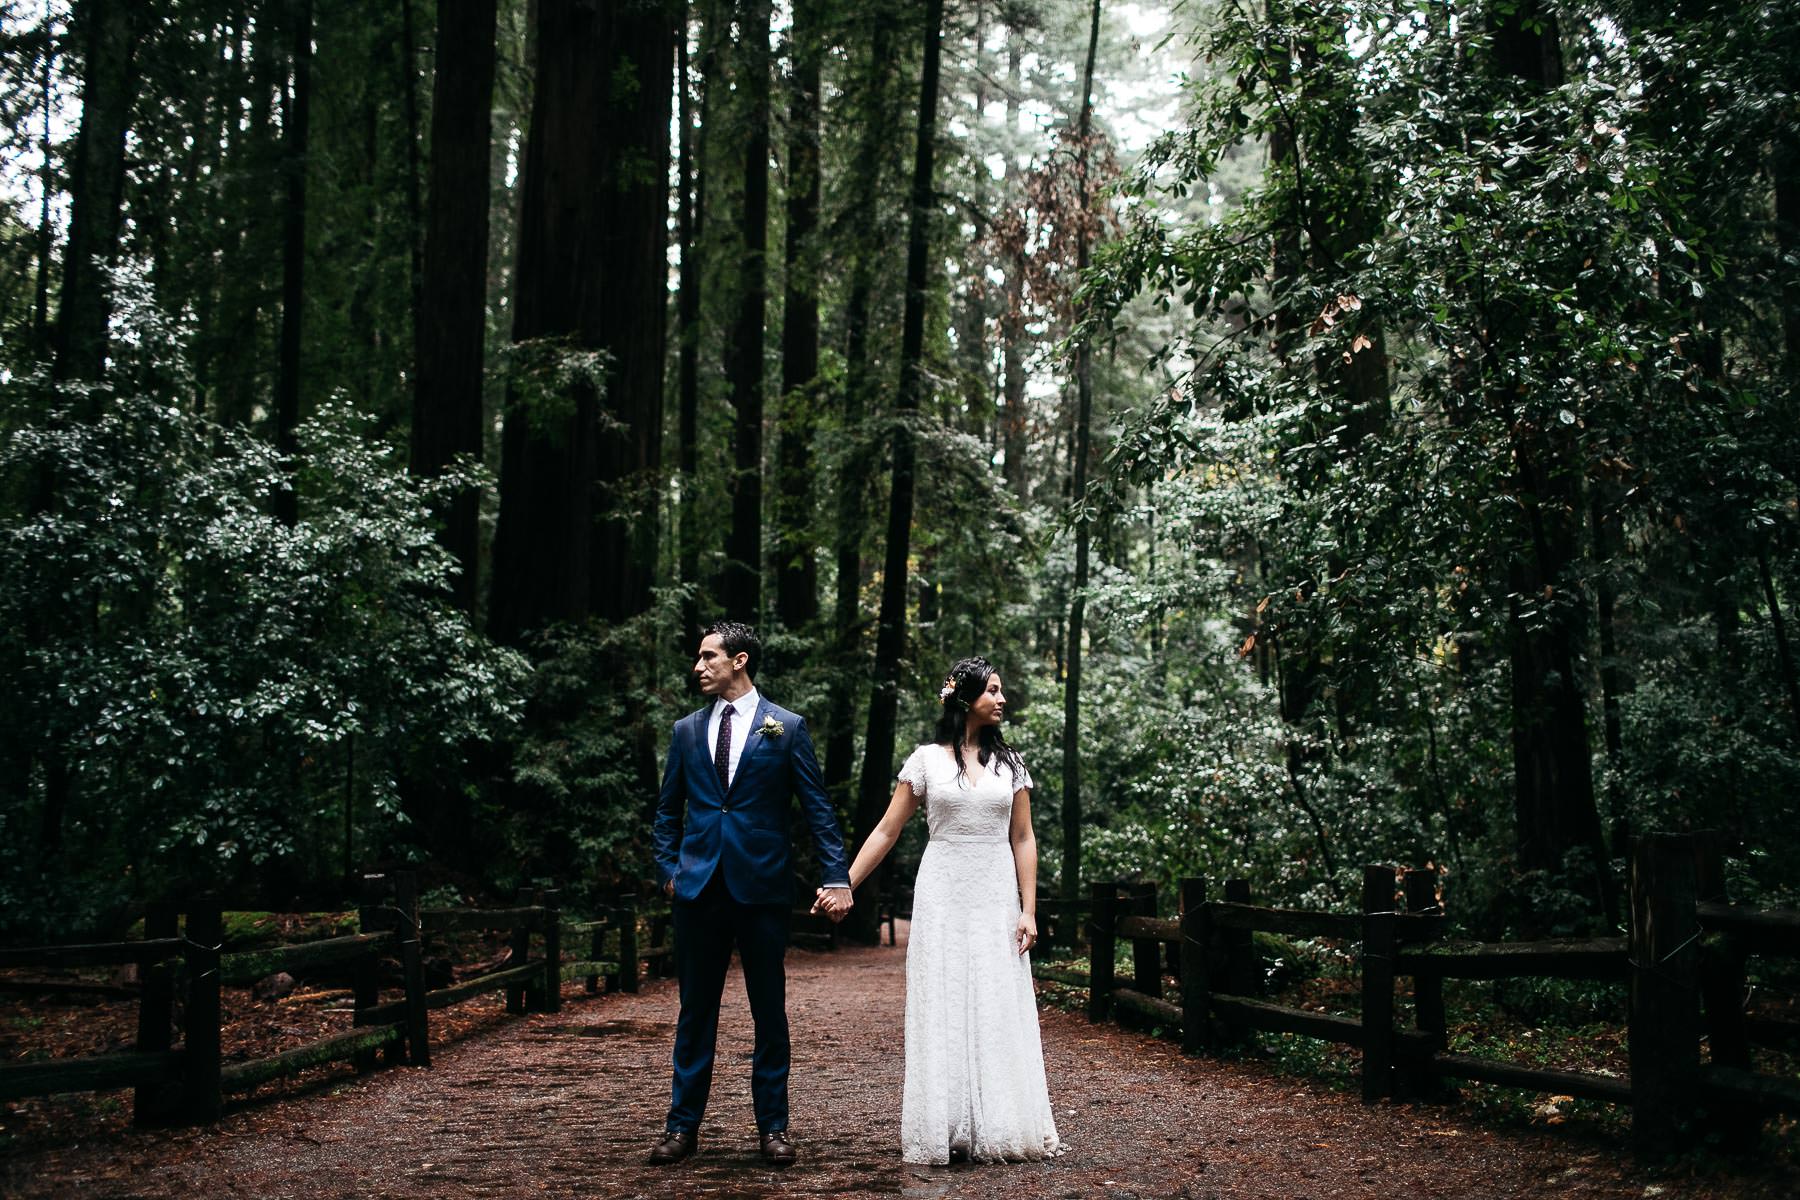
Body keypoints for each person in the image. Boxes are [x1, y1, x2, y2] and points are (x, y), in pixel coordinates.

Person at [821, 656, 1060, 1164]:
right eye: (992, 690)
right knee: (944, 999)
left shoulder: (1011, 765)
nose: (1001, 699)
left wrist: (1029, 909)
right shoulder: (926, 761)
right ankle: (945, 1122)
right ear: (965, 697)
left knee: (995, 997)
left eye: (1001, 690)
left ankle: (1001, 1120)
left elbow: (1023, 838)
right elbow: (887, 830)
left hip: (996, 894)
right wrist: (845, 883)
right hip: (943, 893)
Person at [649, 621, 854, 1168]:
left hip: (761, 888)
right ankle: (681, 1127)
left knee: (770, 1011)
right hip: (697, 890)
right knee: (696, 1012)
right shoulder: (686, 730)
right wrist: (670, 870)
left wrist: (837, 877)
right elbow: (668, 811)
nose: (698, 666)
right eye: (699, 658)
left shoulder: (785, 728)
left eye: (708, 657)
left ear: (739, 661)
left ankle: (774, 1129)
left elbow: (818, 811)